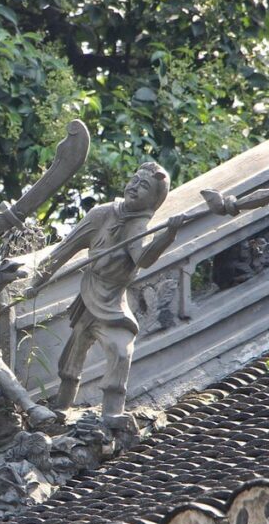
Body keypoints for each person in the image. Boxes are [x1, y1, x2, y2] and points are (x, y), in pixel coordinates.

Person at [25, 162, 183, 424]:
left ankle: (112, 412)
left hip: (113, 300)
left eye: (144, 186)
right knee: (75, 350)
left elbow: (142, 258)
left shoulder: (139, 225)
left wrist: (168, 235)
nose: (134, 187)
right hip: (89, 294)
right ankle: (62, 407)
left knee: (121, 351)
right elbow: (64, 250)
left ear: (154, 201)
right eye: (134, 180)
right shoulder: (101, 214)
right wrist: (37, 281)